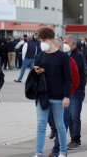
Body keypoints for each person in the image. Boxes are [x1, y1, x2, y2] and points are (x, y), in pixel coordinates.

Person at [33, 27, 71, 157]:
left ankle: (63, 151)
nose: (42, 42)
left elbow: (68, 79)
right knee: (41, 125)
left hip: (58, 97)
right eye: (40, 40)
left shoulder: (63, 57)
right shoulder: (39, 57)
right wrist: (36, 73)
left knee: (60, 125)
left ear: (51, 40)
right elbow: (34, 78)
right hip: (42, 96)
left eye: (44, 40)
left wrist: (67, 97)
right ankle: (38, 153)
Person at [50, 38, 80, 157]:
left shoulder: (69, 60)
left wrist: (68, 94)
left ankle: (58, 150)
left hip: (65, 98)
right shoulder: (48, 60)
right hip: (52, 97)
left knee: (62, 123)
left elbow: (75, 80)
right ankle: (58, 143)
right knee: (54, 122)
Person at [63, 35, 86, 149]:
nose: (64, 44)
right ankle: (72, 139)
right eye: (63, 42)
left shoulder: (77, 56)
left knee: (74, 116)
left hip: (77, 91)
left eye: (66, 42)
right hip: (68, 91)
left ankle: (76, 140)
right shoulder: (66, 55)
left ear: (73, 44)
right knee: (69, 116)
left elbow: (73, 74)